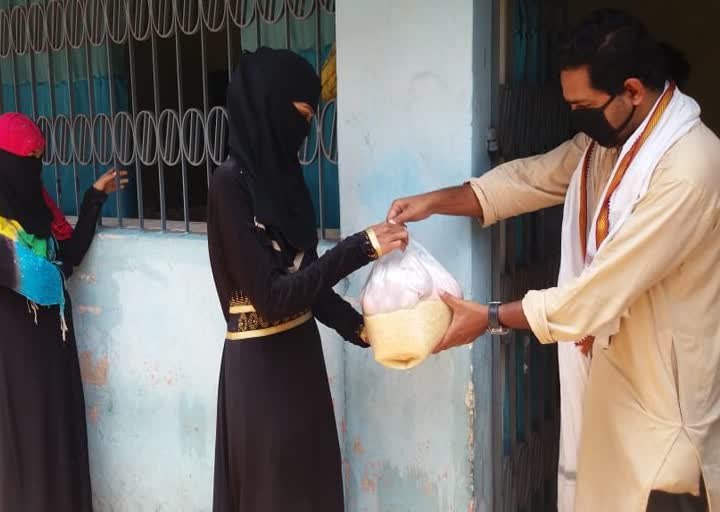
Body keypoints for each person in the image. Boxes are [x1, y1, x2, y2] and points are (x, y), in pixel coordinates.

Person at [388, 10, 718, 512]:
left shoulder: (687, 167)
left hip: (664, 414)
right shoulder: (608, 144)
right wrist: (434, 201)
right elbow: (532, 178)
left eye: (584, 106)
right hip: (613, 394)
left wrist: (489, 317)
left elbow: (595, 294)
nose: (577, 118)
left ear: (632, 89)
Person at [207, 47, 407, 512]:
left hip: (302, 361)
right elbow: (273, 297)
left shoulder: (287, 182)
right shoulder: (229, 185)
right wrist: (361, 248)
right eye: (299, 114)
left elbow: (309, 284)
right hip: (259, 372)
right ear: (268, 105)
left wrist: (364, 329)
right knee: (273, 492)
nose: (305, 129)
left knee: (312, 485)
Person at [0, 112, 127, 511]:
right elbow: (14, 270)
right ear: (4, 156)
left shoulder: (36, 202)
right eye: (27, 157)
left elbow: (67, 256)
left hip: (51, 340)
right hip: (12, 340)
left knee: (57, 431)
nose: (34, 166)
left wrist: (93, 198)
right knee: (26, 437)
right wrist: (53, 269)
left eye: (39, 157)